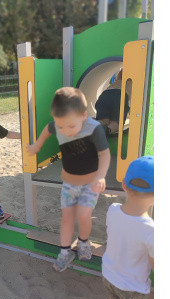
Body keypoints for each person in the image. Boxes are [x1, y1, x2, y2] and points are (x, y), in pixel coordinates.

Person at [26, 87, 111, 271]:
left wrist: (101, 176)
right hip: (69, 183)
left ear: (84, 116)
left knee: (83, 215)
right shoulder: (60, 124)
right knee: (67, 216)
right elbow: (48, 129)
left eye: (71, 127)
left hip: (89, 183)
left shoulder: (94, 128)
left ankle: (83, 242)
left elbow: (105, 154)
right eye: (61, 126)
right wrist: (38, 145)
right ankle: (65, 252)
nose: (66, 131)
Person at [92, 155, 154, 299]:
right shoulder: (151, 231)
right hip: (132, 285)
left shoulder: (113, 210)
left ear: (124, 185)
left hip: (110, 274)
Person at [94, 68, 130, 135]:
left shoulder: (117, 81)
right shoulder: (134, 84)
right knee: (116, 123)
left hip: (104, 95)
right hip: (120, 95)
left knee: (104, 121)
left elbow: (121, 73)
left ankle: (91, 125)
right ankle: (105, 131)